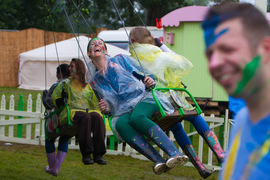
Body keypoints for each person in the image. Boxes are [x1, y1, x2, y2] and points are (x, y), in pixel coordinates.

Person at [128, 27, 226, 178]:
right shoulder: (160, 56)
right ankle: (219, 153)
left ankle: (199, 166)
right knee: (194, 116)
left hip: (159, 102)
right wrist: (160, 45)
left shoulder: (133, 60)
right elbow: (183, 63)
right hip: (174, 98)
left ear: (133, 41)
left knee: (177, 127)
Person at [87, 37, 189, 175]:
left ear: (105, 50)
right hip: (125, 108)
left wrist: (149, 81)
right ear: (89, 53)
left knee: (137, 117)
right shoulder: (95, 81)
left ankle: (174, 153)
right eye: (93, 44)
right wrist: (107, 109)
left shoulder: (119, 60)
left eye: (100, 43)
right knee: (121, 124)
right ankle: (158, 161)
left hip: (145, 97)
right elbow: (107, 106)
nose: (97, 45)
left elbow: (142, 75)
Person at [202, 2, 270, 179]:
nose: (214, 63)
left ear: (266, 49)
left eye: (228, 49)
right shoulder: (242, 119)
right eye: (210, 54)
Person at [51, 58, 107, 168]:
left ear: (79, 68)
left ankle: (98, 154)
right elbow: (55, 97)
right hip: (71, 112)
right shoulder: (66, 83)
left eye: (72, 66)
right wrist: (61, 100)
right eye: (70, 66)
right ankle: (86, 154)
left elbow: (93, 102)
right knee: (85, 117)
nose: (69, 68)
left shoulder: (87, 85)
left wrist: (100, 107)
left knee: (97, 118)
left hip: (87, 111)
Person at [42, 64, 72, 177]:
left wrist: (44, 97)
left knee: (49, 139)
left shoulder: (57, 84)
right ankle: (56, 167)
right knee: (64, 139)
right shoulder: (73, 84)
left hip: (57, 118)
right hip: (70, 118)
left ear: (59, 73)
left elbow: (49, 103)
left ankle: (52, 167)